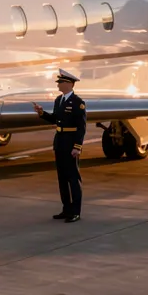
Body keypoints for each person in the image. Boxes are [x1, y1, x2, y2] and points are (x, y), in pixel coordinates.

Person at [32, 69, 87, 223]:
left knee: (73, 178)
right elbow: (56, 119)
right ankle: (66, 209)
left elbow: (81, 127)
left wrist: (77, 146)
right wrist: (42, 113)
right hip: (60, 142)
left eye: (60, 82)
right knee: (62, 178)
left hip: (70, 143)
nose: (58, 85)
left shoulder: (78, 103)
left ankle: (75, 211)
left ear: (69, 84)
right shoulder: (59, 100)